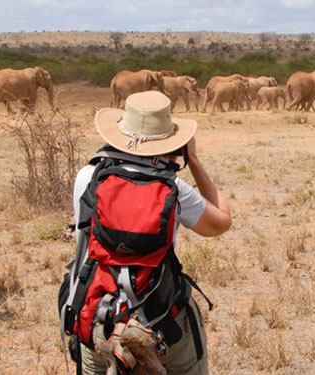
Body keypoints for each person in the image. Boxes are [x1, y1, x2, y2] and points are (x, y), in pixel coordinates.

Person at [72, 91, 231, 374]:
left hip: (97, 316)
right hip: (160, 323)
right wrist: (193, 159)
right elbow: (222, 221)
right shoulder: (174, 189)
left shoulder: (88, 177)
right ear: (172, 142)